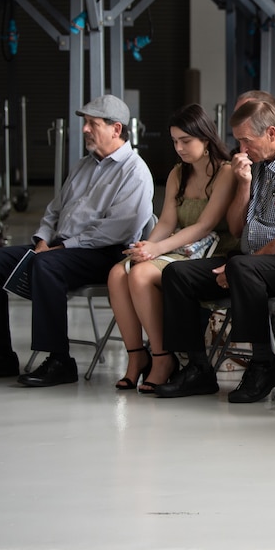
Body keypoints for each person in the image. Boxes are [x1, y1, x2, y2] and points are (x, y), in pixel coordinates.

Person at [0, 95, 154, 386]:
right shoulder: (82, 166)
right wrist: (42, 239)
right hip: (57, 247)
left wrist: (61, 247)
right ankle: (2, 354)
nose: (85, 129)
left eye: (93, 123)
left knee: (47, 265)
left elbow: (115, 230)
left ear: (116, 129)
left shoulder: (135, 172)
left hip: (105, 253)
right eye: (85, 123)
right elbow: (54, 209)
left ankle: (59, 360)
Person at [153, 94, 275, 402]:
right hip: (250, 261)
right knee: (176, 274)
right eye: (238, 142)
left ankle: (263, 362)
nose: (241, 149)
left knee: (240, 267)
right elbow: (236, 229)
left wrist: (237, 268)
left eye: (247, 141)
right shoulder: (256, 164)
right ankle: (197, 367)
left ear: (271, 133)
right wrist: (244, 183)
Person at [107, 104, 238, 392]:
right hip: (180, 246)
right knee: (118, 273)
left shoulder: (225, 172)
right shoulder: (179, 173)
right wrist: (148, 246)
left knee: (140, 275)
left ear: (205, 138)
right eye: (174, 141)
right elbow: (166, 221)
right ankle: (136, 357)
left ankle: (162, 358)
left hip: (211, 250)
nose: (179, 148)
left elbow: (205, 225)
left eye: (185, 141)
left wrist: (155, 251)